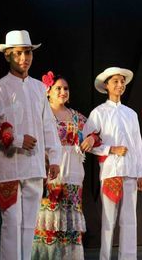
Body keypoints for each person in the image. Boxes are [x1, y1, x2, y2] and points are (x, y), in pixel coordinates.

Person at [0, 30, 62, 260]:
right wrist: (15, 139)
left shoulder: (38, 89)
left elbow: (48, 125)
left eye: (27, 52)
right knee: (12, 223)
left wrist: (54, 157)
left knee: (28, 226)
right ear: (7, 56)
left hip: (34, 167)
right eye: (18, 53)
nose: (24, 58)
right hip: (9, 169)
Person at [32, 72, 99, 259]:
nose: (63, 91)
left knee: (69, 220)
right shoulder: (42, 115)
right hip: (50, 173)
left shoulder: (76, 117)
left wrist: (92, 138)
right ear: (48, 92)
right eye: (58, 88)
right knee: (49, 220)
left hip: (74, 174)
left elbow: (95, 133)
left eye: (66, 88)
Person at [83, 67, 142, 260]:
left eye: (122, 82)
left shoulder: (131, 114)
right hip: (110, 171)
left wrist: (141, 173)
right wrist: (111, 149)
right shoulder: (99, 113)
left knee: (129, 220)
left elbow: (137, 145)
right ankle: (105, 257)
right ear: (106, 85)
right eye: (116, 81)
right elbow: (87, 141)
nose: (120, 85)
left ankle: (128, 257)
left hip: (130, 172)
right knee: (108, 220)